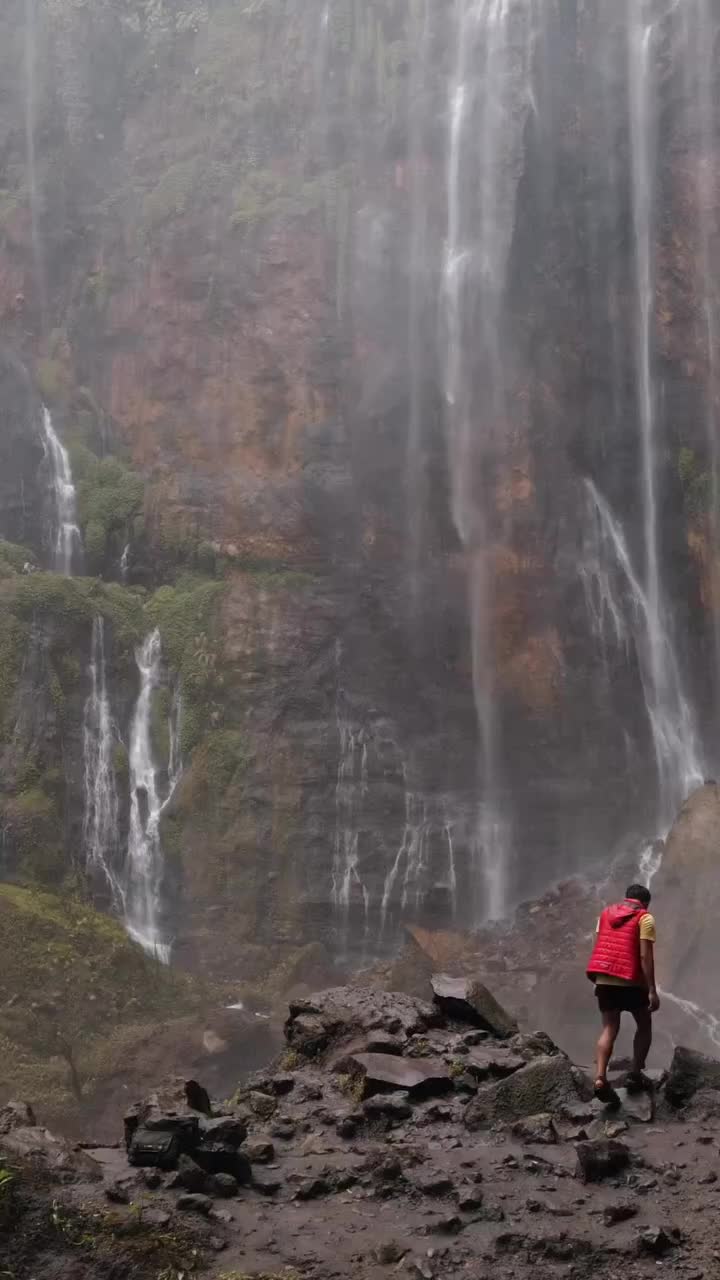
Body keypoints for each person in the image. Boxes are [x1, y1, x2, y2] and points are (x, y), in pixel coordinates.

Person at [586, 883, 659, 1101]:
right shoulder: (645, 918)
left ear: (626, 898)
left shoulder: (606, 913)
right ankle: (635, 1074)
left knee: (609, 1028)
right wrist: (652, 990)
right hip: (631, 981)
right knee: (644, 1025)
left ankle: (600, 1078)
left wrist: (598, 976)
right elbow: (646, 956)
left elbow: (600, 944)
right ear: (645, 903)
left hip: (604, 979)